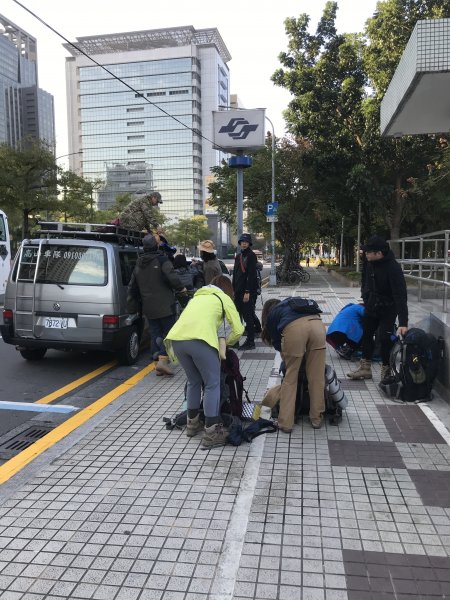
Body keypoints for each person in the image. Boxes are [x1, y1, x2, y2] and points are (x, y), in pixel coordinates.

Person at [165, 275, 244, 448]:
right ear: (228, 290)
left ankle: (192, 425)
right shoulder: (223, 298)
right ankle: (211, 433)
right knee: (212, 384)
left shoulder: (198, 297)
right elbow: (238, 329)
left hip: (177, 340)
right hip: (201, 341)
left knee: (193, 381)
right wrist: (225, 343)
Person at [347, 235, 408, 383]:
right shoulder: (369, 263)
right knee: (366, 335)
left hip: (388, 308)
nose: (366, 254)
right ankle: (365, 368)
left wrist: (403, 322)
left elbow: (400, 295)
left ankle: (386, 370)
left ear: (379, 253)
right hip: (372, 306)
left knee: (384, 339)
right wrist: (365, 297)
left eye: (369, 252)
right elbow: (365, 281)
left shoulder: (393, 268)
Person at [260, 297, 326, 432]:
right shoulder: (292, 305)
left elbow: (278, 344)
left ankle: (285, 423)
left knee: (290, 378)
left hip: (296, 330)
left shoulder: (273, 315)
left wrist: (289, 359)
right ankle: (316, 418)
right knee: (317, 377)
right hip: (318, 326)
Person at [127, 233, 186, 376]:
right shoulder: (161, 260)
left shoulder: (139, 263)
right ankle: (163, 360)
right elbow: (172, 276)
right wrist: (181, 288)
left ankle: (156, 364)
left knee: (155, 334)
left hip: (148, 307)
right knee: (169, 333)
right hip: (165, 305)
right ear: (156, 245)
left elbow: (132, 287)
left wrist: (131, 306)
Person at [232, 233, 259, 350]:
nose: (244, 243)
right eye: (242, 241)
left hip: (247, 292)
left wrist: (247, 292)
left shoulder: (252, 256)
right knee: (237, 316)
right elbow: (235, 274)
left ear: (249, 244)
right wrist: (233, 289)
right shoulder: (238, 256)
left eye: (246, 242)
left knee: (248, 317)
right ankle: (236, 340)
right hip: (237, 291)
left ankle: (250, 342)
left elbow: (251, 275)